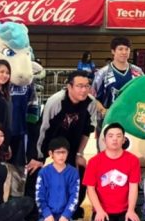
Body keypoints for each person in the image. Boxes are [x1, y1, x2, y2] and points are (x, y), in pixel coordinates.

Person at [26, 71, 97, 213]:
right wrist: (38, 156)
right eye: (79, 86)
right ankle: (32, 212)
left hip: (71, 145)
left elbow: (87, 130)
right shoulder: (56, 101)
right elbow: (42, 129)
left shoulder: (90, 103)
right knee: (35, 170)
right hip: (47, 141)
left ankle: (72, 211)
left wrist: (79, 153)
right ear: (69, 87)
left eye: (87, 86)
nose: (84, 90)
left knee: (79, 170)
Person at [83, 122, 141, 221]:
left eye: (119, 136)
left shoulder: (133, 160)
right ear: (104, 140)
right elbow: (90, 189)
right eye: (111, 136)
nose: (115, 139)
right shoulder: (94, 161)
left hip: (124, 210)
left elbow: (133, 187)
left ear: (124, 140)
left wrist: (131, 210)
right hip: (103, 210)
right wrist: (99, 211)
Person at [34, 138, 79, 221]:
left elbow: (74, 197)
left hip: (64, 214)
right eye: (58, 153)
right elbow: (39, 197)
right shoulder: (43, 172)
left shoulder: (73, 172)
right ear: (51, 154)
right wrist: (46, 214)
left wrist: (66, 215)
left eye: (64, 152)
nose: (61, 156)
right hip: (47, 214)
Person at [93, 37, 144, 117]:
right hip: (110, 120)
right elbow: (92, 98)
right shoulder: (102, 73)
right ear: (113, 51)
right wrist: (103, 110)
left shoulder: (138, 72)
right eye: (120, 49)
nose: (124, 52)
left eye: (127, 49)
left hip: (132, 118)